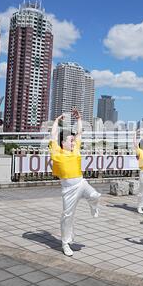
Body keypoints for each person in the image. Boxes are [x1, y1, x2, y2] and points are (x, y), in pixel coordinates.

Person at [49, 108, 101, 257]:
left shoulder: (75, 150)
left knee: (95, 196)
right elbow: (53, 135)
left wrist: (79, 119)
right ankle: (65, 243)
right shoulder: (57, 152)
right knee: (67, 216)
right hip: (68, 189)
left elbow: (79, 133)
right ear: (62, 143)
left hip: (81, 183)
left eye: (73, 140)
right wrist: (56, 122)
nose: (73, 141)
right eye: (69, 140)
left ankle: (93, 206)